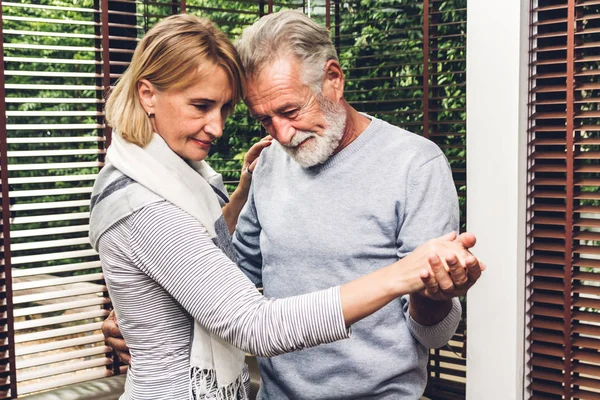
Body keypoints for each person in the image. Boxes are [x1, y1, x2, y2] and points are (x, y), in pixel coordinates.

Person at [92, 13, 482, 400]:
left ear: (333, 79)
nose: (282, 135)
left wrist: (433, 292)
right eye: (265, 120)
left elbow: (434, 334)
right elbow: (231, 281)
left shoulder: (416, 166)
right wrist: (141, 313)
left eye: (290, 111)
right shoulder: (268, 164)